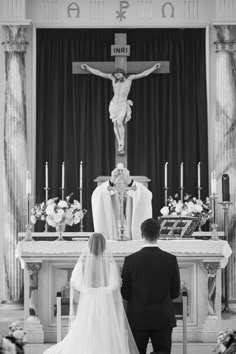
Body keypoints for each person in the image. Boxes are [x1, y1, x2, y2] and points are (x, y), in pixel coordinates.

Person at [43, 233, 139, 354]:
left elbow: (76, 283)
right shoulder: (111, 265)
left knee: (86, 329)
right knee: (105, 330)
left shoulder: (82, 265)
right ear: (104, 247)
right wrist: (104, 292)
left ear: (89, 246)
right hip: (105, 302)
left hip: (88, 301)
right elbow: (115, 285)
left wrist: (88, 291)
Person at [121, 218, 181, 354]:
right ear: (159, 234)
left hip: (137, 316)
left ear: (141, 235)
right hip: (163, 316)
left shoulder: (130, 260)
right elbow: (175, 292)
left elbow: (125, 293)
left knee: (136, 351)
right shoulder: (170, 259)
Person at [81, 63, 161, 154]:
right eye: (115, 75)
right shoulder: (113, 78)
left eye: (118, 74)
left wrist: (154, 68)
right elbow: (99, 73)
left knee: (119, 123)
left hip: (122, 104)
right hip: (114, 104)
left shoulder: (129, 79)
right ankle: (119, 142)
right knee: (115, 124)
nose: (117, 76)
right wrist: (88, 68)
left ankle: (122, 142)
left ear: (122, 73)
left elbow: (144, 74)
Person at [91, 164, 152, 240]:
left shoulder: (134, 191)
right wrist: (111, 181)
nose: (121, 187)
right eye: (118, 184)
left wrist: (130, 182)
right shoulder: (108, 192)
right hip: (112, 238)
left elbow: (146, 195)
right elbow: (97, 195)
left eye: (124, 184)